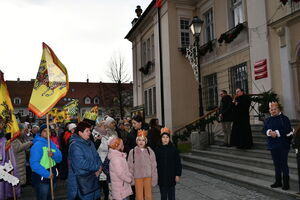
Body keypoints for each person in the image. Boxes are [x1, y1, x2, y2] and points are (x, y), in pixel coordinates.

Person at [263, 102, 293, 190]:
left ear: (279, 109)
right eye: (271, 110)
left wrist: (276, 133)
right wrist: (269, 132)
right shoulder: (268, 120)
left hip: (283, 144)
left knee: (283, 163)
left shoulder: (284, 118)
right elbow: (263, 130)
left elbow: (287, 129)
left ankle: (286, 183)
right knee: (276, 164)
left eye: (275, 109)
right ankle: (278, 181)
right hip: (273, 145)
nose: (273, 111)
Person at [68, 121, 102, 200]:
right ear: (80, 133)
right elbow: (81, 164)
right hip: (81, 183)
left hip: (93, 180)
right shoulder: (75, 145)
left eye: (89, 130)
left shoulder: (90, 142)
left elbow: (97, 156)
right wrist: (97, 167)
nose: (89, 132)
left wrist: (100, 167)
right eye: (87, 131)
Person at [30, 124, 62, 200]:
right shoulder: (37, 145)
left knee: (50, 196)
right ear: (40, 133)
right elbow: (34, 164)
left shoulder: (52, 144)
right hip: (42, 177)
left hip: (52, 174)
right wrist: (46, 174)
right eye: (45, 131)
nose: (47, 133)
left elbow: (60, 159)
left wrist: (53, 155)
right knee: (43, 197)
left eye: (49, 131)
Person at [127, 129, 157, 200]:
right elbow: (130, 166)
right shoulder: (132, 152)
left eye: (143, 140)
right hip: (137, 177)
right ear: (136, 141)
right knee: (139, 196)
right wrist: (131, 178)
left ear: (146, 141)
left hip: (148, 177)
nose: (141, 142)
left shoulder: (150, 151)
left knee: (148, 196)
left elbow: (154, 165)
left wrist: (154, 177)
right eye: (139, 140)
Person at [155, 127, 182, 200]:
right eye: (163, 137)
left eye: (167, 137)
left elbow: (178, 163)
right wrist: (155, 175)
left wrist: (178, 174)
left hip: (171, 177)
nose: (165, 139)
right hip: (161, 177)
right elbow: (154, 164)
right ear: (161, 138)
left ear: (169, 138)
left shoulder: (174, 149)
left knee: (172, 196)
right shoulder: (157, 149)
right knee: (163, 196)